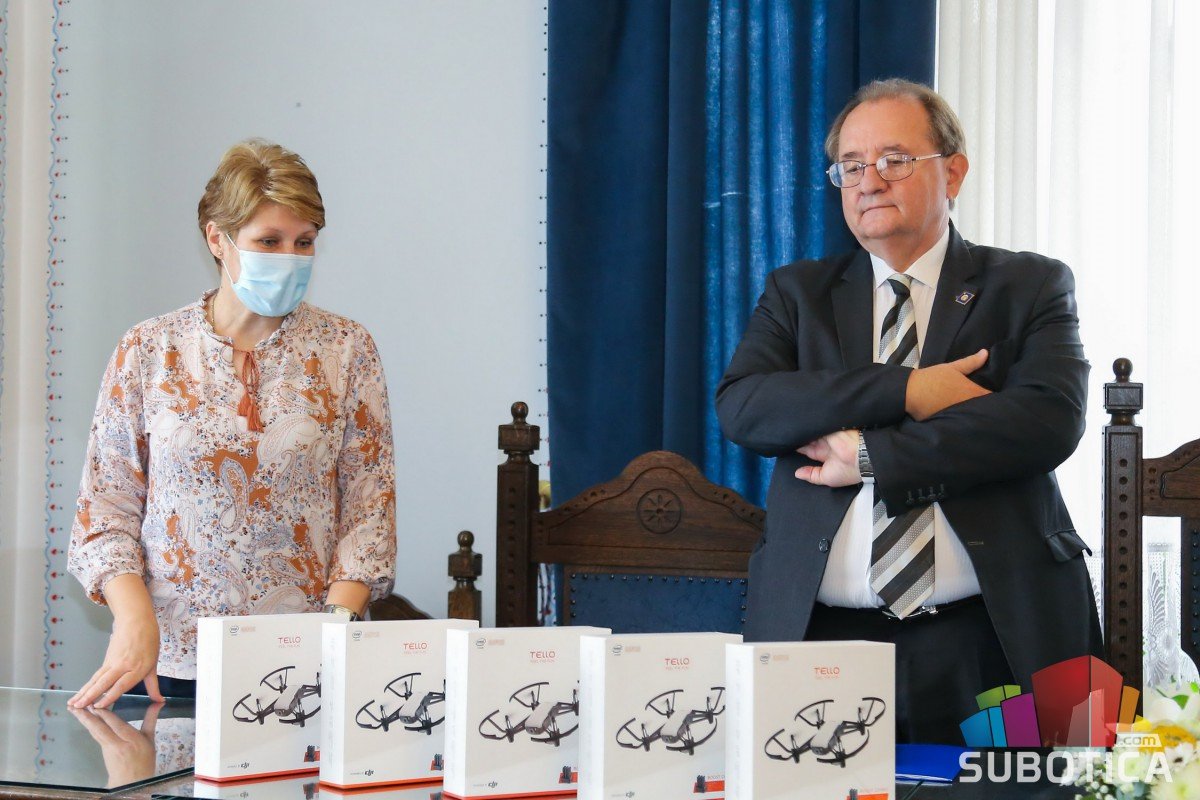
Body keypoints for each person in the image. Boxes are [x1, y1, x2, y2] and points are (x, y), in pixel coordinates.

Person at [716, 79, 1101, 743]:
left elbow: (1047, 422)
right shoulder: (798, 293)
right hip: (818, 638)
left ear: (953, 172)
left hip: (992, 637)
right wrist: (910, 391)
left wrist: (871, 456)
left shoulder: (1028, 285)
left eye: (894, 159)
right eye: (852, 166)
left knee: (1019, 789)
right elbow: (746, 408)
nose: (869, 181)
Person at [67, 140, 396, 708]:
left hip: (304, 670)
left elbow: (369, 511)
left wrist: (335, 629)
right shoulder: (149, 349)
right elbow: (105, 508)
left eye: (304, 242)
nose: (290, 257)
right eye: (269, 241)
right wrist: (134, 621)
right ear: (217, 239)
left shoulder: (347, 349)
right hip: (166, 663)